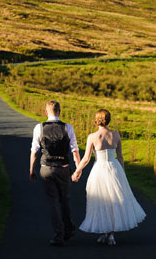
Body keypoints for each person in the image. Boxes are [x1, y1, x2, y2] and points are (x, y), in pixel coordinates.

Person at [72, 109, 146, 245]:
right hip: (114, 168)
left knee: (101, 200)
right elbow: (121, 157)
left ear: (96, 120)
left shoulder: (92, 137)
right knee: (113, 200)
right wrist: (122, 172)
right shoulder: (116, 135)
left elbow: (86, 158)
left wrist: (77, 170)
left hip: (100, 169)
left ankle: (105, 232)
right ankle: (109, 233)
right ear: (108, 119)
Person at [29, 100, 81, 247]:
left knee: (53, 203)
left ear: (46, 112)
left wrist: (31, 170)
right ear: (60, 111)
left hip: (46, 168)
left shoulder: (39, 128)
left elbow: (34, 151)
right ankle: (69, 229)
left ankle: (59, 234)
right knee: (64, 200)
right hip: (63, 168)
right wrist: (78, 169)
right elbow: (74, 150)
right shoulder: (68, 127)